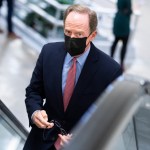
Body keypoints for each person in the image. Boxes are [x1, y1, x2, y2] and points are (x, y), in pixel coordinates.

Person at [23, 4, 122, 150]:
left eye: (79, 34)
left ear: (92, 35)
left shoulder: (110, 70)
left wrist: (82, 141)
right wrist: (35, 112)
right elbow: (33, 91)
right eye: (67, 32)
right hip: (40, 141)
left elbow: (110, 119)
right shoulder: (48, 52)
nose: (72, 38)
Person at [110, 0, 132, 71]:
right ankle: (122, 64)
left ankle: (110, 60)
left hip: (118, 19)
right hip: (124, 23)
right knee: (124, 45)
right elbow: (129, 11)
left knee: (115, 42)